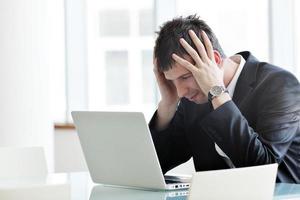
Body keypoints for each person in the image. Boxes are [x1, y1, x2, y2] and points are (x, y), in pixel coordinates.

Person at [149, 15, 300, 183]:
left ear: (214, 60)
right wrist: (167, 107)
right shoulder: (192, 98)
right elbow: (152, 168)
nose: (181, 92)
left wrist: (217, 93)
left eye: (185, 77)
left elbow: (261, 168)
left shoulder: (280, 85)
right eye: (172, 81)